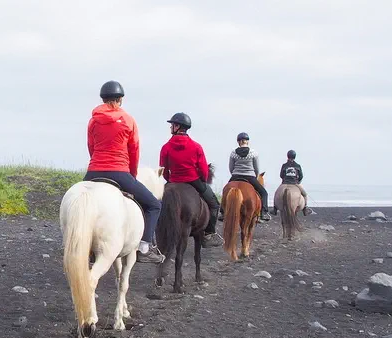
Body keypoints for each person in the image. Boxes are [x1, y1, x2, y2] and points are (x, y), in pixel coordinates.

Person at [84, 80, 164, 263]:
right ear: (120, 100)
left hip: (94, 171)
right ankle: (145, 247)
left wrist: (96, 164)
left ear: (103, 100)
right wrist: (132, 174)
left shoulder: (93, 120)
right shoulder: (129, 120)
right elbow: (134, 149)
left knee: (77, 201)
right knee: (154, 205)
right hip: (120, 171)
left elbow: (91, 146)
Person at [158, 112, 221, 247]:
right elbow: (203, 168)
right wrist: (203, 180)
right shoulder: (196, 146)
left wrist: (169, 180)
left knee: (155, 205)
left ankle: (153, 236)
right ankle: (209, 233)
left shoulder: (166, 147)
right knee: (214, 204)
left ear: (177, 126)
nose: (170, 128)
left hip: (174, 181)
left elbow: (163, 168)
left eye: (172, 125)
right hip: (193, 180)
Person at [228, 132, 270, 221]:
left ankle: (223, 212)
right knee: (264, 193)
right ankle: (263, 213)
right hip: (250, 177)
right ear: (247, 141)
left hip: (235, 176)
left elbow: (231, 167)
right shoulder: (253, 152)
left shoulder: (233, 153)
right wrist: (255, 176)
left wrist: (234, 174)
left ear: (238, 142)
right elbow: (256, 168)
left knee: (226, 191)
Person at [275, 149, 311, 215]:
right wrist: (298, 181)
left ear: (287, 156)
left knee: (276, 193)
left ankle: (275, 208)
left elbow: (281, 175)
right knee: (305, 194)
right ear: (295, 157)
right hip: (295, 183)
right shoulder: (297, 165)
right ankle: (305, 208)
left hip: (285, 183)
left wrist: (285, 179)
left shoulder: (284, 165)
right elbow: (301, 176)